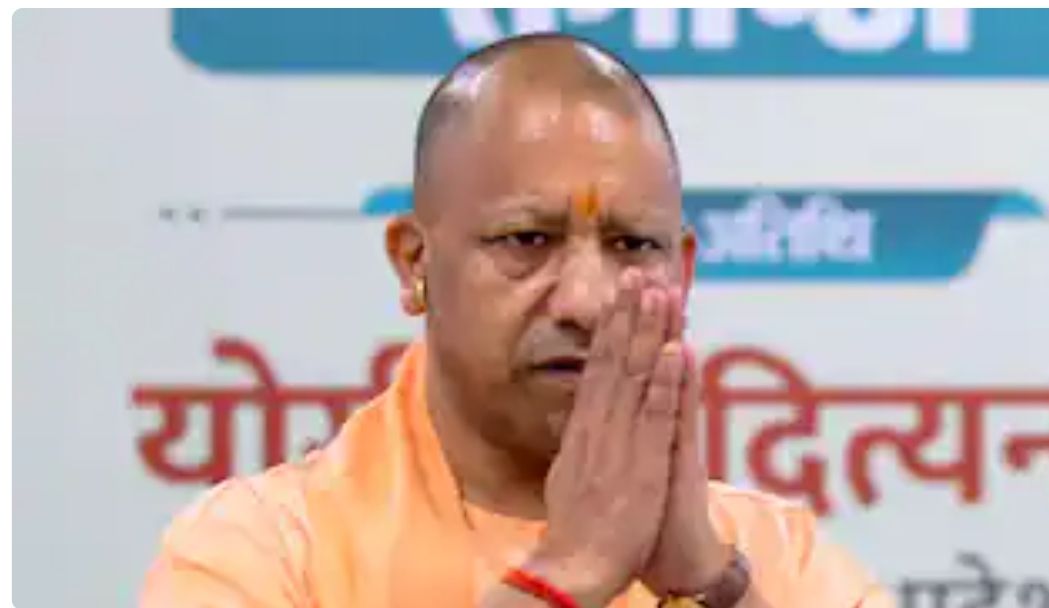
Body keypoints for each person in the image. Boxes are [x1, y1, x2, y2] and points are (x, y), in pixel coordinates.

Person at [141, 33, 894, 608]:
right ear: (414, 262)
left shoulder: (781, 561)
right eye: (527, 240)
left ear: (684, 272)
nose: (587, 301)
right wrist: (568, 575)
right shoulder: (264, 552)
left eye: (634, 246)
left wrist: (710, 583)